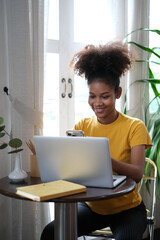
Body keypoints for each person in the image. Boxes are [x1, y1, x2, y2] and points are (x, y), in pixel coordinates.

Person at [41, 41, 152, 240]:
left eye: (105, 96)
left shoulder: (135, 126)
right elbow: (71, 168)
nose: (97, 103)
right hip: (92, 207)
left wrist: (105, 161)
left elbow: (137, 174)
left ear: (117, 93)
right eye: (92, 96)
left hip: (127, 209)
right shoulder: (82, 126)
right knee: (50, 233)